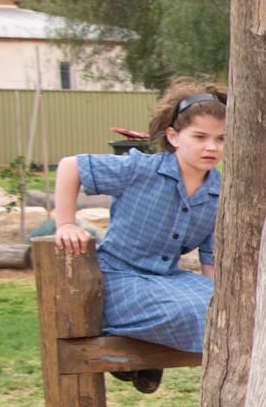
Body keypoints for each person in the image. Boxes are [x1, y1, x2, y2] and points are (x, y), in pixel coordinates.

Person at [51, 82, 225, 390]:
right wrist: (65, 223)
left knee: (224, 309)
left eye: (220, 139)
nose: (211, 147)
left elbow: (211, 260)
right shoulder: (141, 169)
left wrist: (221, 297)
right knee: (191, 311)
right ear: (173, 137)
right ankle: (143, 353)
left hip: (169, 278)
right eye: (200, 137)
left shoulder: (219, 192)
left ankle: (147, 355)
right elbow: (71, 166)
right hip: (118, 277)